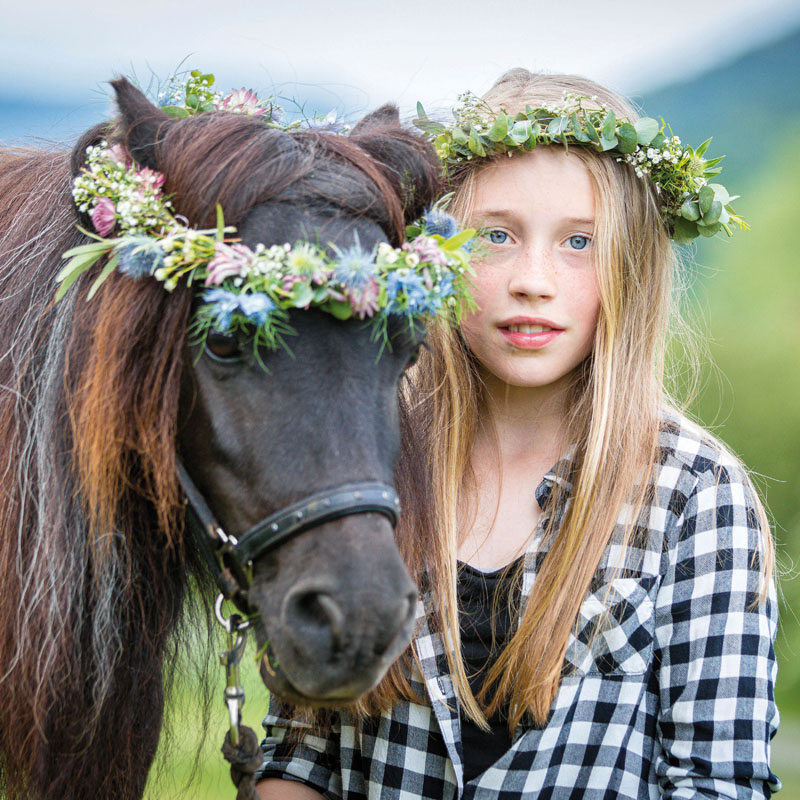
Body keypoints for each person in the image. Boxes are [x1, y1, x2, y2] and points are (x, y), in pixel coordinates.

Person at [255, 69, 780, 799]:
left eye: (579, 243)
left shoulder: (697, 494)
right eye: (495, 236)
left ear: (631, 265)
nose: (533, 279)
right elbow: (299, 759)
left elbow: (714, 783)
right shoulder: (368, 456)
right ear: (437, 255)